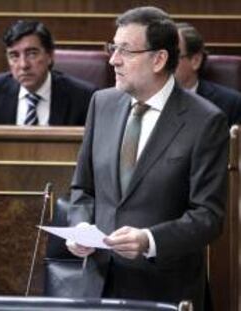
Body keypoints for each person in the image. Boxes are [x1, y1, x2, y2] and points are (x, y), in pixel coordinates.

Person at [66, 6, 228, 310]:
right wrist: (81, 228)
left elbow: (208, 216)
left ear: (159, 59)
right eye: (112, 48)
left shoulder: (205, 120)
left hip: (165, 291)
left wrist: (149, 240)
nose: (113, 59)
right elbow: (82, 190)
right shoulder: (102, 103)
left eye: (125, 51)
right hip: (98, 286)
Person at [0, 20, 98, 125]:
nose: (23, 65)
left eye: (32, 54)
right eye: (14, 56)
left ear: (50, 56)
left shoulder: (83, 97)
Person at [175, 22, 241, 126]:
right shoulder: (147, 99)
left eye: (173, 57)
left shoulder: (231, 104)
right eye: (160, 56)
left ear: (195, 61)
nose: (163, 64)